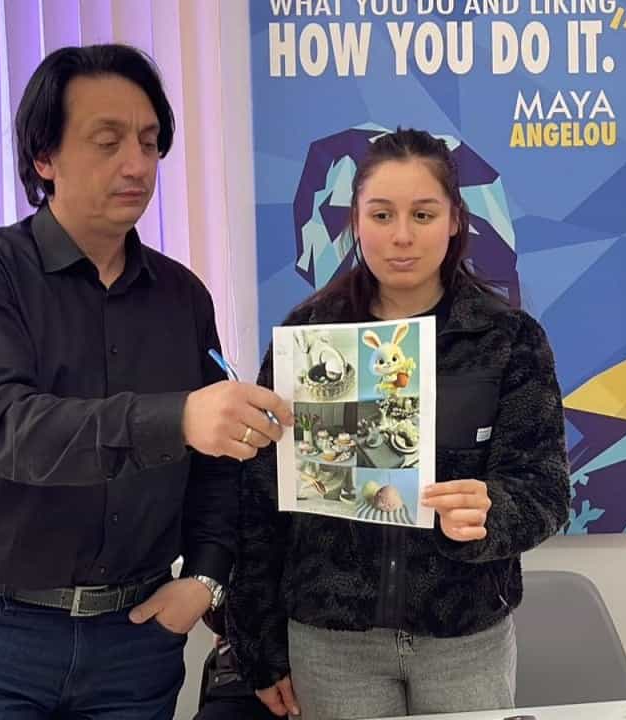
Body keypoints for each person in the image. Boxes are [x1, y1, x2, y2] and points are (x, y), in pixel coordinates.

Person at [0, 44, 291, 720]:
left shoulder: (183, 297)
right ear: (44, 157)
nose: (137, 165)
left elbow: (216, 469)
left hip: (133, 640)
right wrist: (178, 418)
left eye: (149, 142)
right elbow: (9, 431)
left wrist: (206, 578)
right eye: (108, 141)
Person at [226, 128, 570, 719]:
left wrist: (491, 512)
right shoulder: (309, 335)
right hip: (331, 641)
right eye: (382, 214)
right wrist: (259, 645)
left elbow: (546, 489)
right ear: (356, 221)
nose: (402, 235)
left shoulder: (508, 338)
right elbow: (260, 502)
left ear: (455, 220)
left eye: (423, 214)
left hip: (465, 637)